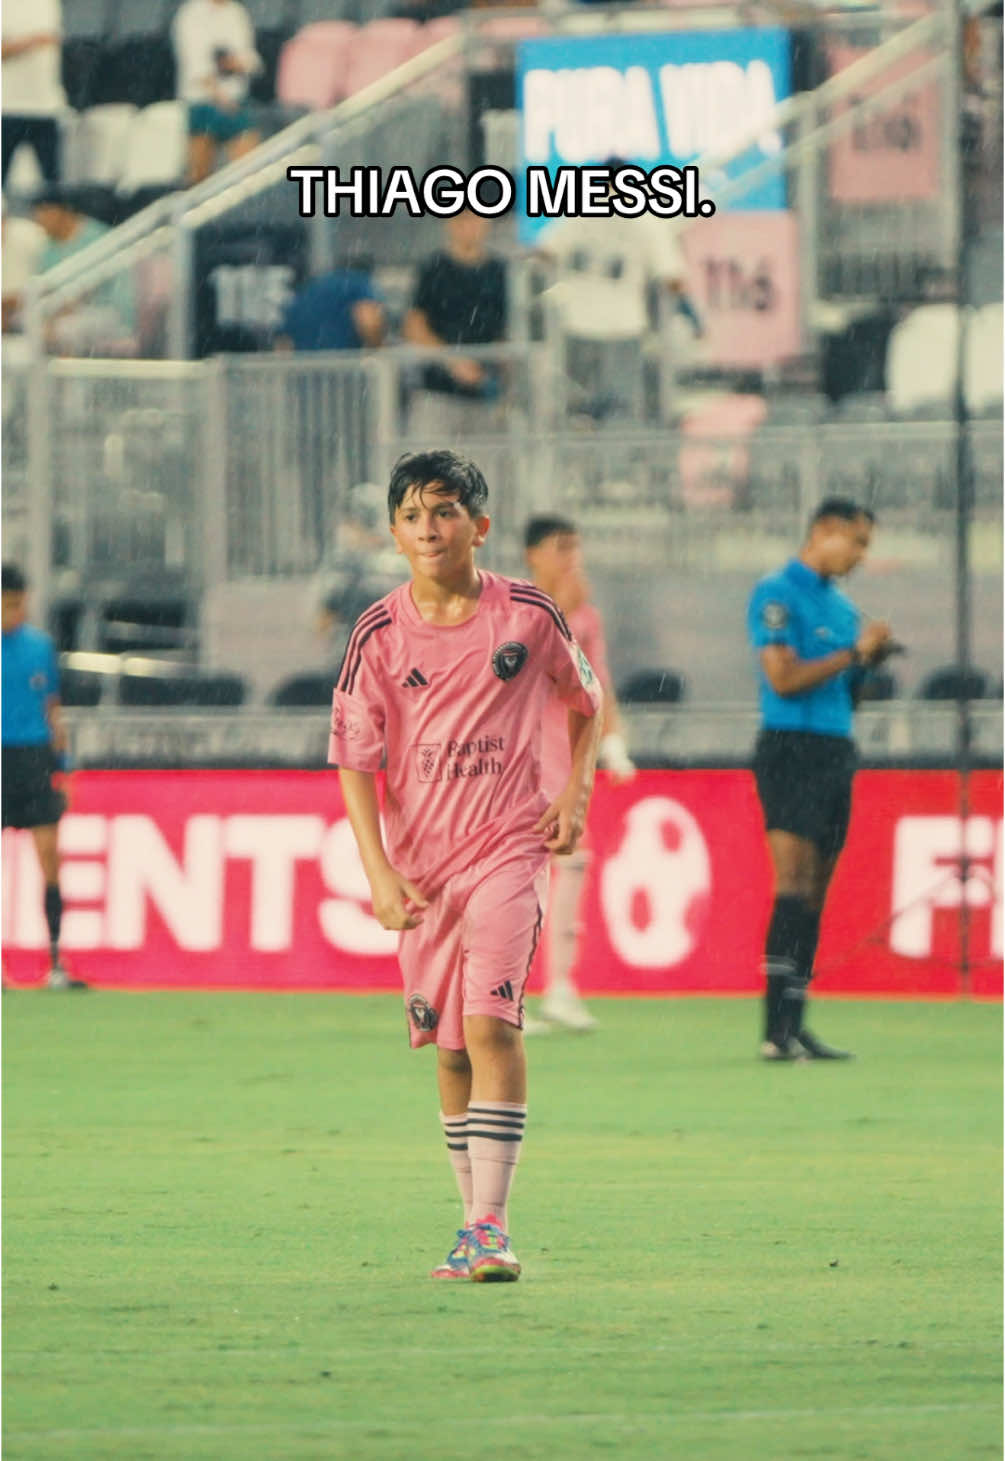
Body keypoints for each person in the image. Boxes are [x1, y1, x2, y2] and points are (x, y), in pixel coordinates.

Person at [329, 450, 603, 1281]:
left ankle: (491, 1224)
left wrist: (574, 794)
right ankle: (468, 1221)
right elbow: (352, 759)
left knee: (490, 1023)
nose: (427, 528)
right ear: (393, 532)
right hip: (424, 871)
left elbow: (585, 702)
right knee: (448, 1048)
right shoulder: (377, 633)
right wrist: (378, 874)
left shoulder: (527, 614)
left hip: (509, 847)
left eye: (444, 512)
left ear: (478, 526)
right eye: (411, 515)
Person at [748, 497, 898, 1062]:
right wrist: (849, 653)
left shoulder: (843, 606)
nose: (860, 556)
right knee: (792, 882)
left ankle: (796, 1023)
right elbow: (782, 679)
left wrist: (867, 663)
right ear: (825, 531)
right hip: (790, 746)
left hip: (836, 748)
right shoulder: (776, 593)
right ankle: (773, 1028)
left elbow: (847, 693)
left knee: (816, 890)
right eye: (857, 543)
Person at [522, 514, 636, 1033]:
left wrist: (613, 744)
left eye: (576, 546)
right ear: (533, 554)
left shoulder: (585, 616)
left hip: (560, 762)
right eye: (561, 547)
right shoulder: (510, 606)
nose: (572, 557)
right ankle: (503, 993)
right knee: (514, 879)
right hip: (511, 762)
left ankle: (560, 987)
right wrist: (561, 612)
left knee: (572, 864)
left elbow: (596, 683)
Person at [535, 157, 699, 420]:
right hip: (622, 325)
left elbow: (545, 251)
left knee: (578, 409)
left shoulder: (581, 210)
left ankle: (582, 453)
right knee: (619, 409)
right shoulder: (645, 217)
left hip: (579, 322)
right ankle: (609, 457)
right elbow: (673, 277)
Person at [1, 563, 85, 990]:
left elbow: (53, 710)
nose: (12, 612)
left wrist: (63, 768)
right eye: (6, 603)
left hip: (33, 758)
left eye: (18, 603)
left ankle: (55, 964)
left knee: (50, 859)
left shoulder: (40, 647)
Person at [403, 210, 508, 440]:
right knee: (434, 469)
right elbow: (414, 327)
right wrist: (452, 360)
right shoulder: (433, 268)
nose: (469, 226)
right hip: (438, 393)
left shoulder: (499, 272)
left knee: (488, 469)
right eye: (462, 220)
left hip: (486, 394)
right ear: (449, 224)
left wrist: (502, 380)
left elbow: (505, 332)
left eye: (475, 219)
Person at [32, 185, 136, 354]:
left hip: (109, 311)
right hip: (65, 313)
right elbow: (47, 289)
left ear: (60, 212)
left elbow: (102, 289)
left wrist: (69, 306)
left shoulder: (98, 237)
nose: (39, 220)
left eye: (43, 212)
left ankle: (70, 378)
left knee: (62, 330)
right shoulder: (49, 248)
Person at [172, 0, 262, 186]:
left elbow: (251, 61)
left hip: (236, 102)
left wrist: (236, 63)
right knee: (199, 177)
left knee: (249, 169)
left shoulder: (237, 12)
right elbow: (196, 67)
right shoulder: (190, 13)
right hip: (202, 102)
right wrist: (218, 96)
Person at [2, 0, 64, 188]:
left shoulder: (49, 3)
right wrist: (33, 41)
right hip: (8, 107)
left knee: (52, 187)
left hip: (46, 107)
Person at [275, 266, 386, 354]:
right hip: (344, 371)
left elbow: (283, 343)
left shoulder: (308, 290)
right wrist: (378, 351)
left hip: (304, 374)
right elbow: (368, 321)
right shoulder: (358, 283)